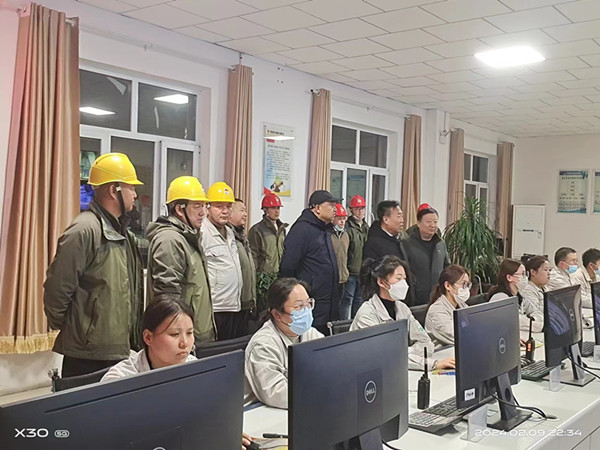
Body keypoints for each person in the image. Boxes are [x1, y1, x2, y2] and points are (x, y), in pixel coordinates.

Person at [102, 299, 254, 450]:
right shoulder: (118, 382)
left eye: (190, 333)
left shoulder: (194, 367)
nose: (185, 343)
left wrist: (221, 430)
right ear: (148, 337)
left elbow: (206, 415)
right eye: (174, 334)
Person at [44, 153, 144, 378]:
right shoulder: (84, 230)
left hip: (116, 348)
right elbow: (57, 289)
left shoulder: (123, 234)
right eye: (131, 188)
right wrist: (79, 330)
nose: (135, 194)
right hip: (86, 355)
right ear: (114, 190)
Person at [146, 176, 217, 346]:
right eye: (196, 206)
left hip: (194, 335)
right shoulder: (170, 240)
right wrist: (180, 338)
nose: (203, 212)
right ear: (179, 209)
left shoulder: (187, 237)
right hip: (183, 340)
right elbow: (167, 297)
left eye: (203, 205)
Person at [351, 256, 454, 371]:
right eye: (398, 278)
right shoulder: (367, 314)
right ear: (381, 282)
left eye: (404, 278)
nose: (404, 283)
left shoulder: (402, 308)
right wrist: (432, 364)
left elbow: (426, 343)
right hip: (369, 373)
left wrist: (408, 351)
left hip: (397, 370)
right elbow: (387, 356)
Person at [244, 278, 323, 409]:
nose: (306, 311)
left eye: (308, 304)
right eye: (299, 307)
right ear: (277, 314)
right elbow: (277, 394)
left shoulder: (311, 333)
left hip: (303, 403)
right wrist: (321, 393)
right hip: (261, 409)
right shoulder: (263, 345)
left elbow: (329, 367)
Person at [279, 190, 340, 334]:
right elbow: (288, 266)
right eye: (331, 205)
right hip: (311, 301)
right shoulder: (302, 229)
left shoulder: (324, 229)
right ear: (317, 208)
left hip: (328, 302)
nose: (335, 209)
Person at [201, 182, 245, 341]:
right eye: (219, 206)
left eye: (228, 206)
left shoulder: (230, 232)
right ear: (207, 208)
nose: (225, 211)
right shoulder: (202, 233)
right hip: (216, 308)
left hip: (233, 305)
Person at [401, 204, 450, 306]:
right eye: (429, 222)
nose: (433, 225)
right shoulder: (406, 244)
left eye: (435, 222)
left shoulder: (440, 244)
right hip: (415, 299)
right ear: (418, 223)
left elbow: (447, 267)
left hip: (437, 298)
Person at [248, 193, 288, 305]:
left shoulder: (282, 229)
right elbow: (253, 255)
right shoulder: (257, 230)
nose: (277, 211)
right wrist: (256, 278)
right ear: (265, 210)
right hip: (264, 279)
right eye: (273, 208)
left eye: (278, 208)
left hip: (279, 276)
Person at [228, 198, 257, 333]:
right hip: (233, 304)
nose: (245, 214)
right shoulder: (227, 238)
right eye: (242, 210)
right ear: (230, 213)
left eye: (245, 211)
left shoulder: (242, 236)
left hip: (246, 301)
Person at [425, 265, 470, 348]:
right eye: (462, 284)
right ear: (448, 286)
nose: (466, 288)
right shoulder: (437, 310)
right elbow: (457, 337)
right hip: (442, 353)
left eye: (467, 285)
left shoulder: (461, 305)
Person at [487, 259, 534, 332]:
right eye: (522, 274)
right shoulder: (501, 298)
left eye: (525, 274)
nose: (525, 277)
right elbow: (514, 322)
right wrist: (533, 323)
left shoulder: (519, 296)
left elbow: (534, 311)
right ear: (509, 277)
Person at [342, 194, 369, 319]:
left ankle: (356, 323)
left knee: (359, 300)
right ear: (351, 209)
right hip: (350, 272)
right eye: (357, 208)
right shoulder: (347, 227)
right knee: (347, 300)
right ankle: (344, 325)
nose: (360, 211)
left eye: (362, 208)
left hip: (362, 271)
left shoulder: (366, 227)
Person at [520, 256, 550, 332]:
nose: (548, 273)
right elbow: (535, 312)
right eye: (545, 270)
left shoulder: (545, 287)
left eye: (549, 270)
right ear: (533, 272)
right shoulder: (528, 290)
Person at [331, 203, 350, 318]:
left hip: (343, 277)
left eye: (344, 218)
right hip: (331, 277)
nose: (342, 222)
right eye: (339, 219)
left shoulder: (345, 235)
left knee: (342, 304)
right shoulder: (329, 235)